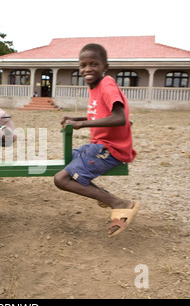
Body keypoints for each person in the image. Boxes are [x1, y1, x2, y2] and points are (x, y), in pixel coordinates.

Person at [53, 43, 140, 238]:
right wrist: (76, 119)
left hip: (110, 149)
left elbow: (119, 118)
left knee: (61, 179)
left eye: (94, 64)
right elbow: (99, 115)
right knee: (69, 157)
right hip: (99, 146)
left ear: (105, 67)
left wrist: (82, 125)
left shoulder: (107, 84)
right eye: (83, 65)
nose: (88, 69)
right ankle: (104, 196)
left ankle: (119, 203)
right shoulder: (95, 87)